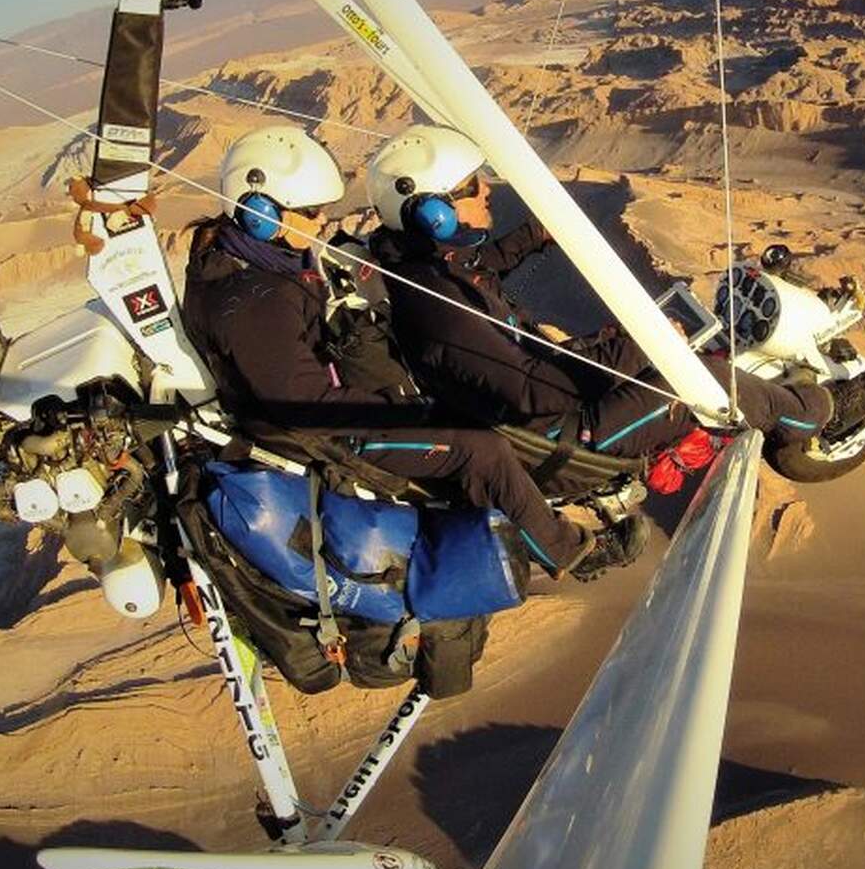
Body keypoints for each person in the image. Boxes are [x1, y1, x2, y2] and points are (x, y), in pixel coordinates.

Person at [180, 124, 619, 579]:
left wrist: (529, 237)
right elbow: (302, 403)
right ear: (258, 213)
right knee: (480, 450)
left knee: (463, 424)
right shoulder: (258, 298)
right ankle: (567, 553)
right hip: (318, 433)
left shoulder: (253, 260)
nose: (322, 223)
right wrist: (399, 408)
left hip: (325, 410)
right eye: (310, 213)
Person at [362, 124, 865, 466]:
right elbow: (538, 393)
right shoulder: (438, 308)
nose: (485, 190)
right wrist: (633, 347)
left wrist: (540, 231)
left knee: (679, 348)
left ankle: (779, 399)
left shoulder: (420, 265)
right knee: (697, 378)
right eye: (470, 187)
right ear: (431, 210)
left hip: (546, 388)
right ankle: (819, 418)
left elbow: (482, 269)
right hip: (567, 434)